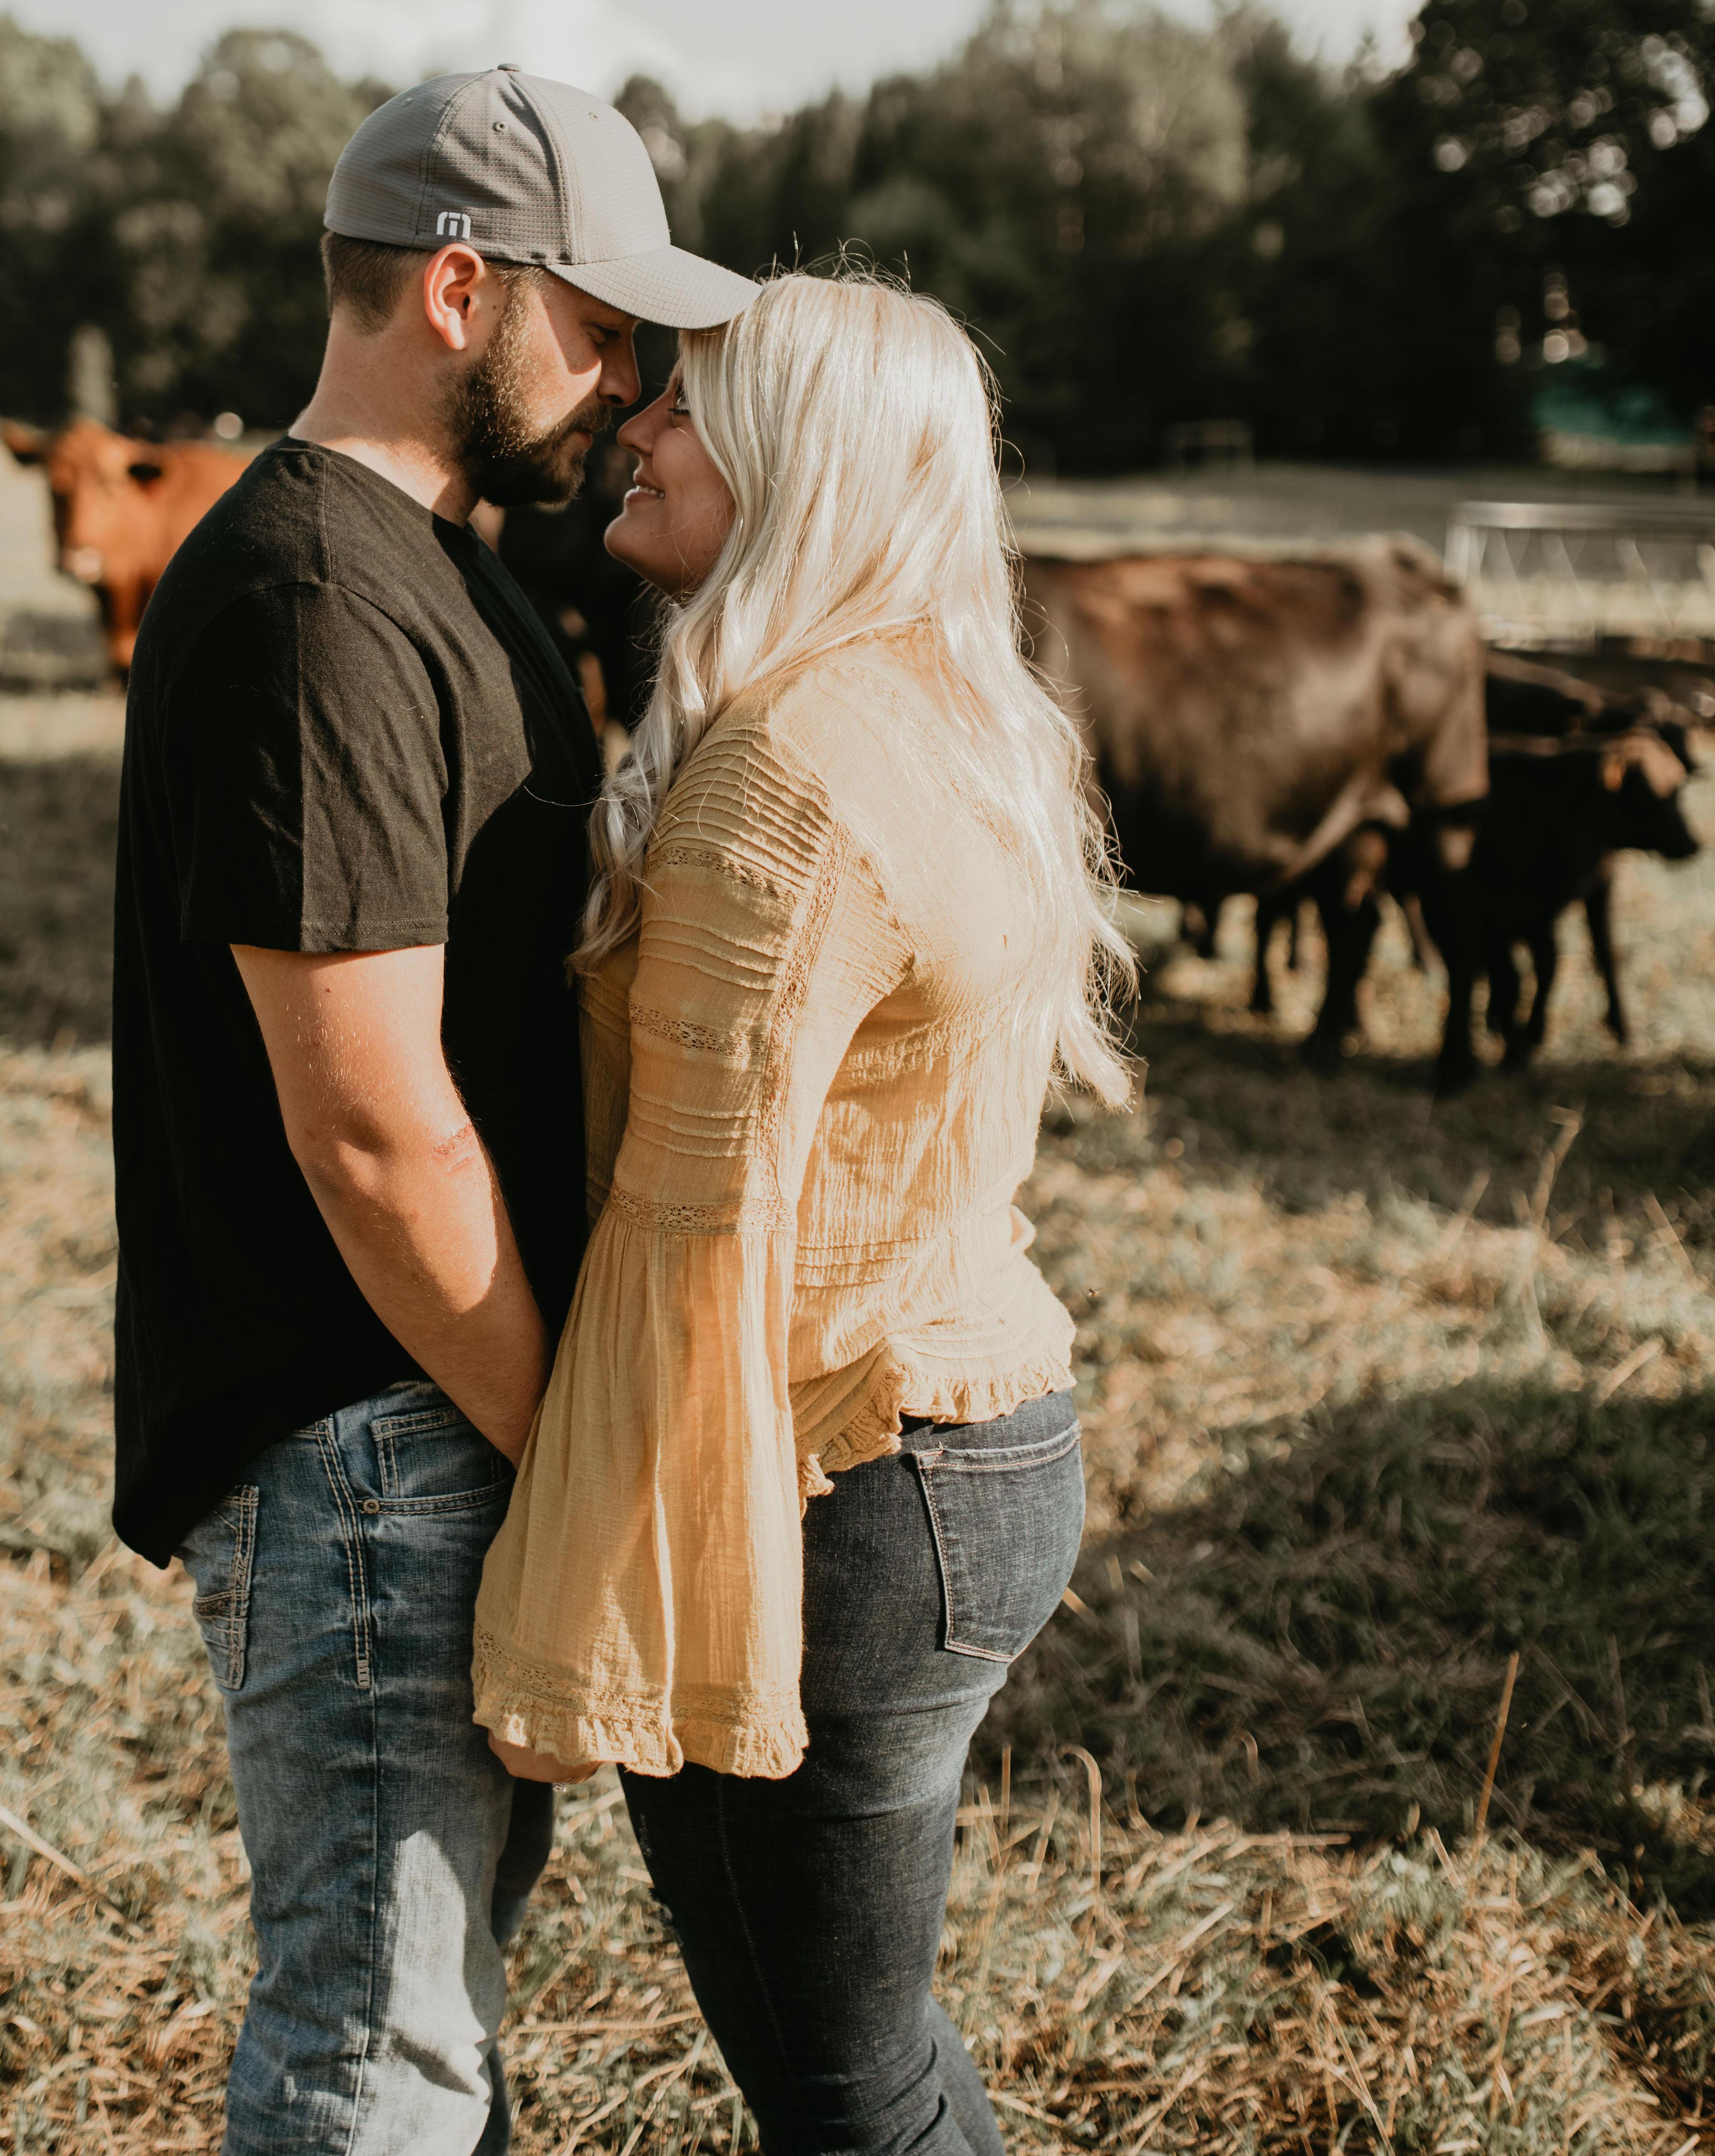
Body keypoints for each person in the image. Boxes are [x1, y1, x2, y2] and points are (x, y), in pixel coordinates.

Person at [108, 66, 756, 2156]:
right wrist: (563, 1414)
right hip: (368, 1439)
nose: (628, 377)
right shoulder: (317, 601)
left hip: (428, 1418)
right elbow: (370, 1124)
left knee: (434, 2020)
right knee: (369, 2050)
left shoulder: (446, 575)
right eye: (604, 321)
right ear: (465, 291)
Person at [472, 273, 1136, 2154]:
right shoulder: (949, 711)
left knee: (845, 2080)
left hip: (848, 1464)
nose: (636, 427)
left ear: (803, 466)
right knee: (870, 2047)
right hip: (966, 1431)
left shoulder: (782, 775)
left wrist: (564, 1620)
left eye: (688, 407)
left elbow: (695, 1241)